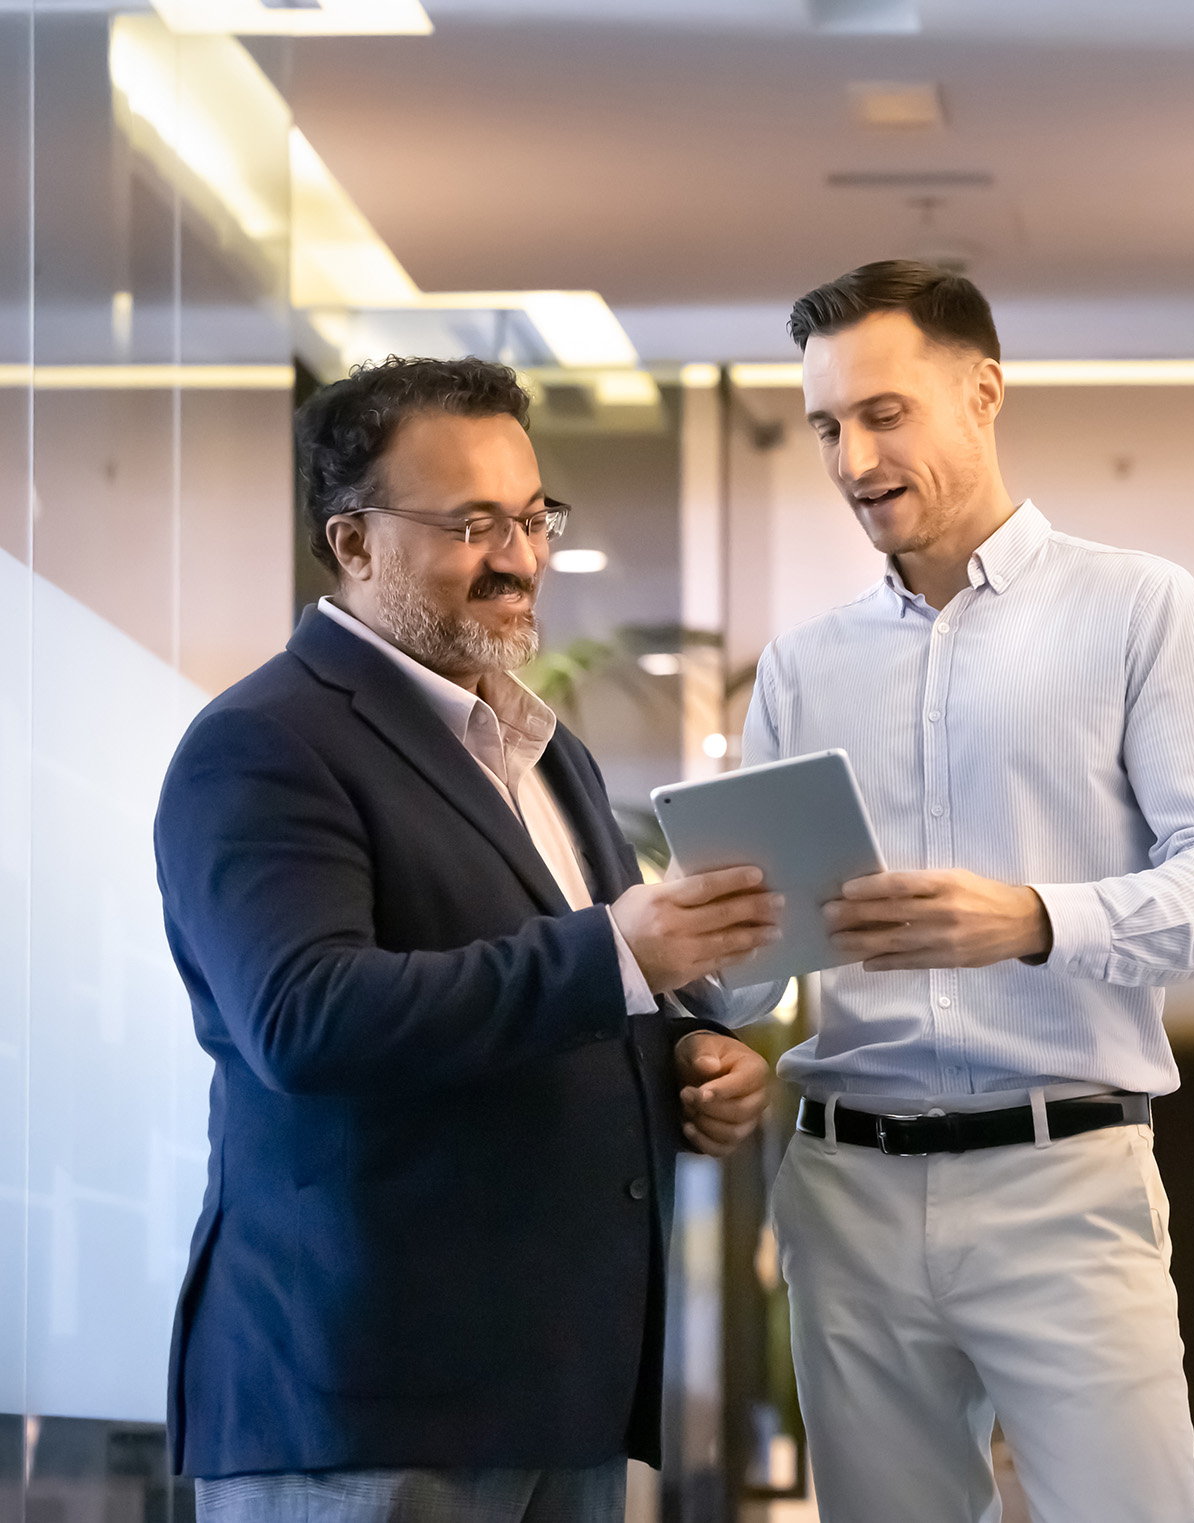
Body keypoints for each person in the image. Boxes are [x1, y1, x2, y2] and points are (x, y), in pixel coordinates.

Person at [154, 355, 780, 1523]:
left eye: (535, 515)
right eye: (475, 523)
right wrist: (619, 955)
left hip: (555, 1394)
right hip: (366, 1407)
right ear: (353, 544)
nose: (522, 556)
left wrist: (690, 1059)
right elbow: (309, 1018)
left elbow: (556, 995)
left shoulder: (550, 753)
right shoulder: (265, 745)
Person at [742, 261, 1194, 1523]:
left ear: (982, 393)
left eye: (885, 413)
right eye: (827, 425)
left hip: (1066, 1179)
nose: (852, 455)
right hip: (848, 1188)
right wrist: (707, 982)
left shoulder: (1140, 609)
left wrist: (1033, 917)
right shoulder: (803, 667)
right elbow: (750, 964)